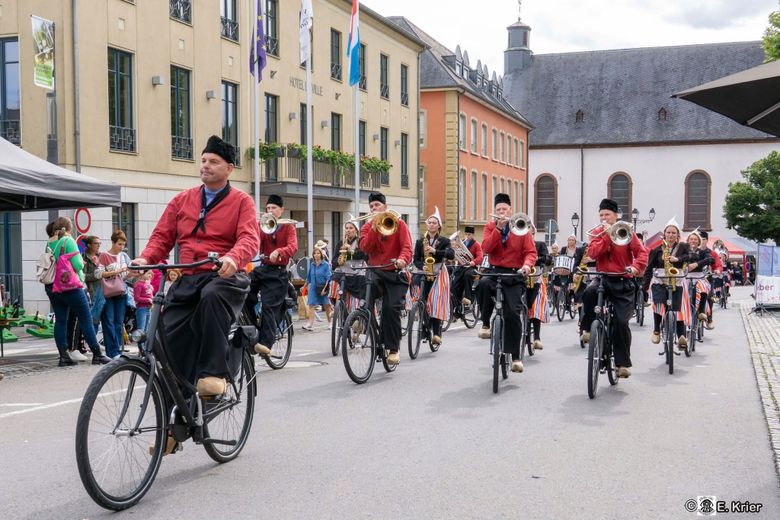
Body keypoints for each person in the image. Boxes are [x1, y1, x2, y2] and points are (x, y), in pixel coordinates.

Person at [133, 135, 259, 407]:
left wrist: (233, 258)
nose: (206, 166)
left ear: (229, 169)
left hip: (224, 277)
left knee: (212, 296)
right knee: (161, 341)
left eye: (213, 161)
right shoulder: (181, 200)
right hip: (189, 277)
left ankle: (213, 372)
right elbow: (161, 238)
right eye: (203, 160)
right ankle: (172, 420)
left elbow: (249, 238)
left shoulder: (242, 201)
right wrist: (145, 259)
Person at [579, 198, 648, 378]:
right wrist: (607, 236)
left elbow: (641, 253)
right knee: (588, 292)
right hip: (603, 278)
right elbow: (593, 253)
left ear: (615, 215)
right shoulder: (596, 233)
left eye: (607, 215)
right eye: (601, 215)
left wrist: (635, 267)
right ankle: (587, 328)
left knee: (622, 322)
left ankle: (622, 364)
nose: (603, 218)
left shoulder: (626, 231)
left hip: (623, 280)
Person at [476, 193, 537, 373]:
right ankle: (486, 323)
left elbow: (530, 252)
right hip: (495, 271)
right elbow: (485, 249)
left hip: (515, 274)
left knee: (512, 313)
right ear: (494, 212)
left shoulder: (521, 227)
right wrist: (497, 230)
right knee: (482, 284)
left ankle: (516, 356)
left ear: (510, 210)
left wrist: (526, 265)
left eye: (504, 209)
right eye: (498, 210)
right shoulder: (489, 227)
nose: (501, 212)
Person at [45, 217, 111, 366]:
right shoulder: (69, 241)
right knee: (85, 318)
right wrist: (81, 261)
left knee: (61, 320)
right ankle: (97, 354)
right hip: (70, 286)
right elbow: (77, 265)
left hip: (53, 286)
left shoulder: (49, 243)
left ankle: (63, 356)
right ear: (69, 228)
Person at [359, 192, 413, 366]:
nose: (374, 208)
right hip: (376, 271)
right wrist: (374, 228)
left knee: (391, 308)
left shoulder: (399, 224)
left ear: (385, 207)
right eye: (371, 206)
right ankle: (363, 321)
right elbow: (365, 248)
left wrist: (402, 260)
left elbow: (407, 248)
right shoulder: (367, 228)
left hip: (395, 273)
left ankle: (393, 349)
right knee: (365, 296)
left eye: (377, 205)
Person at [246, 194, 298, 356]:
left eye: (273, 208)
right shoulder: (263, 225)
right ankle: (252, 328)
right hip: (263, 269)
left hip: (278, 272)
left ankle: (265, 344)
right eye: (268, 208)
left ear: (281, 210)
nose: (270, 210)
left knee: (269, 306)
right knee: (244, 293)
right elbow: (254, 242)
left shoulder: (288, 227)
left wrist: (279, 251)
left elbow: (293, 246)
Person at [642, 218, 691, 349]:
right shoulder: (656, 250)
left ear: (677, 235)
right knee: (658, 303)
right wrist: (644, 288)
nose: (670, 235)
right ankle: (656, 329)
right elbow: (648, 269)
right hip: (660, 281)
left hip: (678, 280)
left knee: (679, 307)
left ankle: (681, 335)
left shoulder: (683, 247)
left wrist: (678, 259)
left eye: (673, 233)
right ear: (664, 234)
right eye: (668, 232)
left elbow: (691, 257)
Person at [412, 207, 454, 347]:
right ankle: (424, 323)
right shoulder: (420, 241)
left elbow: (451, 255)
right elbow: (416, 259)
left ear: (439, 226)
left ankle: (436, 333)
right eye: (429, 222)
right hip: (424, 272)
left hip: (438, 273)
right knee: (422, 300)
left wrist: (435, 251)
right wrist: (421, 266)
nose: (431, 225)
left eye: (434, 222)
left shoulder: (444, 241)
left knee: (435, 302)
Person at [99, 230, 130, 358]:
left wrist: (132, 273)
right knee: (109, 322)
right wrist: (116, 271)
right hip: (108, 292)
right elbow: (99, 273)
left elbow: (125, 276)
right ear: (113, 242)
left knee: (118, 322)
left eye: (123, 244)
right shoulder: (104, 256)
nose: (121, 247)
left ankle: (117, 350)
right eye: (119, 244)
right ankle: (112, 352)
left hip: (121, 292)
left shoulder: (123, 256)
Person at [331, 219, 368, 309]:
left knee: (357, 297)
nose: (348, 230)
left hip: (357, 272)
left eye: (351, 228)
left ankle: (357, 312)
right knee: (333, 281)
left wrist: (350, 251)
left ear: (356, 230)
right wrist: (338, 261)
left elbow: (362, 255)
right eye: (346, 228)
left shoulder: (360, 241)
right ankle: (337, 306)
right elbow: (334, 260)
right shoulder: (341, 242)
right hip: (343, 272)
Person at [527, 223, 552, 350]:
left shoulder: (540, 244)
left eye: (530, 233)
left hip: (536, 276)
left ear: (533, 233)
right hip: (522, 277)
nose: (528, 235)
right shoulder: (520, 244)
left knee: (536, 307)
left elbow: (548, 259)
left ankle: (537, 338)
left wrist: (538, 258)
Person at [450, 226, 483, 310]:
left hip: (472, 268)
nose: (467, 236)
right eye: (466, 234)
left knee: (468, 275)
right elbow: (458, 256)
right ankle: (455, 303)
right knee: (455, 280)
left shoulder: (477, 245)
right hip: (462, 267)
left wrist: (473, 262)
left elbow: (480, 257)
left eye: (469, 234)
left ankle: (468, 299)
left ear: (473, 235)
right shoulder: (462, 243)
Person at [304, 247, 333, 330]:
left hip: (323, 286)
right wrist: (304, 286)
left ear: (321, 255)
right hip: (313, 287)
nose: (316, 255)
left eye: (318, 253)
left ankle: (330, 322)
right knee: (311, 304)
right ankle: (310, 323)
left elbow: (329, 278)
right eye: (315, 253)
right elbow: (309, 277)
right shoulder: (312, 265)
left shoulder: (326, 265)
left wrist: (325, 289)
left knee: (327, 305)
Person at [133, 270, 154, 350]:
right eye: (148, 273)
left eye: (151, 274)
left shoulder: (147, 284)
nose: (150, 275)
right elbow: (137, 298)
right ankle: (141, 349)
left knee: (147, 330)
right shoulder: (138, 284)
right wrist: (148, 300)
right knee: (141, 330)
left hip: (148, 309)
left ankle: (145, 349)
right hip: (141, 309)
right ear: (142, 273)